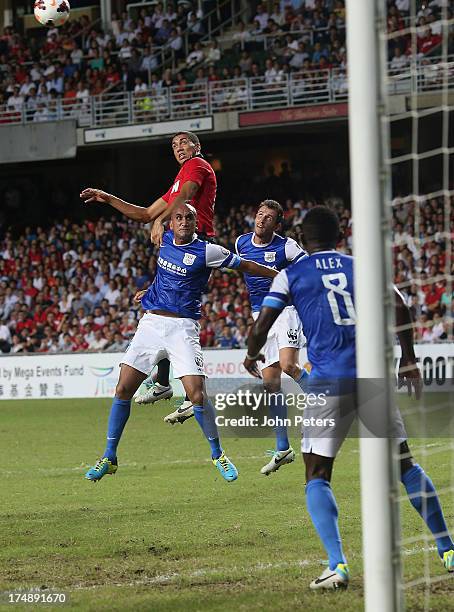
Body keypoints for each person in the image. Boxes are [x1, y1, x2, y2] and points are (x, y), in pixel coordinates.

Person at [244, 206, 454, 589]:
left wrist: (250, 352)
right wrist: (408, 359)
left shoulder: (292, 274)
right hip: (372, 379)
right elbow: (401, 307)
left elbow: (262, 324)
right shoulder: (363, 266)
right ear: (340, 236)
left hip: (327, 384)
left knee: (317, 474)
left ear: (303, 241)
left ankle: (337, 565)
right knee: (404, 465)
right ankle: (448, 548)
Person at [85, 202, 277, 483]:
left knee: (197, 395)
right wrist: (150, 290)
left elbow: (245, 264)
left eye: (189, 217)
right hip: (151, 324)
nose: (184, 222)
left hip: (183, 328)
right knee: (123, 389)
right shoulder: (163, 240)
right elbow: (165, 274)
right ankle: (109, 457)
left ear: (196, 222)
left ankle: (218, 454)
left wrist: (279, 276)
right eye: (178, 218)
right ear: (171, 223)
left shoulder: (208, 251)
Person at [80, 131, 216, 408]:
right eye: (174, 145)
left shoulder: (197, 166)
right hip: (180, 245)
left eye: (183, 142)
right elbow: (144, 214)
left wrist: (162, 221)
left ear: (196, 146)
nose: (178, 147)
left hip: (195, 242)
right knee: (159, 307)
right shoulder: (179, 180)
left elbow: (188, 196)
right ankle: (165, 383)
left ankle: (192, 391)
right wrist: (108, 198)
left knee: (173, 310)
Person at [235, 199, 307, 475]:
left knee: (289, 365)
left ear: (277, 225)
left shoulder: (286, 246)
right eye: (259, 214)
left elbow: (307, 267)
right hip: (259, 315)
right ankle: (283, 448)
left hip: (286, 309)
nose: (261, 219)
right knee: (271, 383)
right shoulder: (242, 242)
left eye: (268, 217)